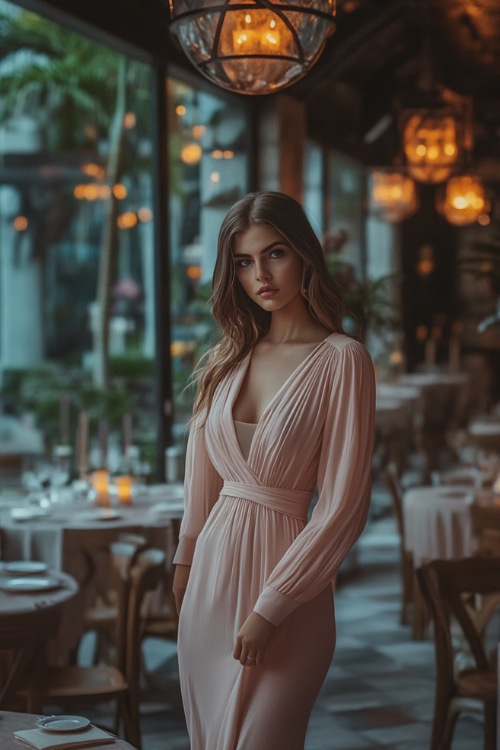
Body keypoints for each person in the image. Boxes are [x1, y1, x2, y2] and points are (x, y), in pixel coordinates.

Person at [172, 191, 376, 750]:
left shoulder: (343, 359)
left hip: (290, 591)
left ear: (305, 255)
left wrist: (273, 605)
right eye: (243, 261)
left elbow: (342, 507)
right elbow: (203, 482)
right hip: (208, 587)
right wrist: (184, 560)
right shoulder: (228, 360)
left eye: (275, 253)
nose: (260, 274)